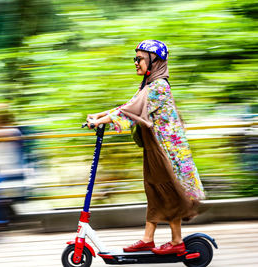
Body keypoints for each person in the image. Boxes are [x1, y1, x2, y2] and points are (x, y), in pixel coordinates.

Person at [86, 40, 205, 255]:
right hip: (155, 149)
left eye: (139, 59)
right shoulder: (149, 85)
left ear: (154, 61)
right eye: (135, 59)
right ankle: (148, 238)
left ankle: (177, 241)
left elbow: (132, 112)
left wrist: (101, 121)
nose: (136, 63)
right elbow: (128, 106)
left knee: (169, 192)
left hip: (167, 152)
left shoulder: (159, 87)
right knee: (153, 190)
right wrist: (100, 115)